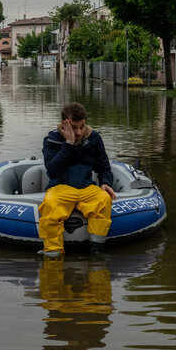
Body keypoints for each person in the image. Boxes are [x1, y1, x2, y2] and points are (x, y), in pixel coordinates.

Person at [39, 102, 116, 257]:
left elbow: (103, 165)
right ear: (64, 123)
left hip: (86, 187)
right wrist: (68, 144)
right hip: (60, 187)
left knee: (103, 200)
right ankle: (53, 252)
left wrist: (105, 183)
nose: (79, 132)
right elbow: (53, 171)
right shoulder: (51, 139)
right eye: (74, 127)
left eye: (82, 126)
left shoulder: (94, 138)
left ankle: (96, 250)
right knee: (50, 204)